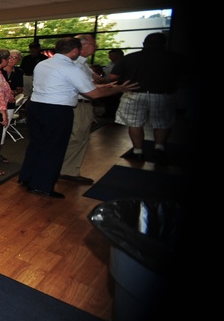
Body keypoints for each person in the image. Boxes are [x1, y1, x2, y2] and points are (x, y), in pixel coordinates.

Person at [19, 37, 136, 198]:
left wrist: (103, 86)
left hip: (37, 106)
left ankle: (27, 177)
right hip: (56, 110)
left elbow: (64, 84)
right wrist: (119, 89)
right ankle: (41, 186)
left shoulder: (43, 63)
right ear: (75, 51)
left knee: (37, 144)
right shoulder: (71, 68)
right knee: (53, 149)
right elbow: (93, 94)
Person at [110, 32, 182, 164]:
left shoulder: (131, 57)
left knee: (134, 122)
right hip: (163, 95)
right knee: (162, 123)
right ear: (164, 43)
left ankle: (138, 151)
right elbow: (187, 77)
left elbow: (113, 77)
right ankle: (159, 148)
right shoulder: (175, 58)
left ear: (144, 43)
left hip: (134, 93)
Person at [58, 34, 101, 185]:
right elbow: (85, 88)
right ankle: (63, 169)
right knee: (75, 138)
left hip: (85, 104)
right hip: (77, 104)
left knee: (82, 138)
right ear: (81, 46)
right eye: (93, 43)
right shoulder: (72, 64)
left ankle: (70, 170)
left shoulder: (83, 64)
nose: (95, 46)